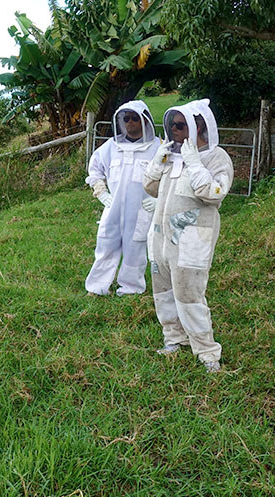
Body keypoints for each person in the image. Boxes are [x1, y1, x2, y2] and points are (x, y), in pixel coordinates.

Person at [143, 99, 233, 372]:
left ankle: (207, 352)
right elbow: (150, 188)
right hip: (161, 237)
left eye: (180, 126)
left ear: (198, 127)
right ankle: (173, 338)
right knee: (163, 292)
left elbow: (214, 194)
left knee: (189, 295)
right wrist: (157, 163)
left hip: (192, 240)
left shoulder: (217, 158)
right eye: (172, 125)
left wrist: (195, 164)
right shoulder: (173, 155)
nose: (174, 130)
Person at [84, 100, 160, 296]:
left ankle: (131, 288)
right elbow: (95, 168)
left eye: (135, 118)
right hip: (113, 209)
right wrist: (101, 191)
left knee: (135, 250)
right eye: (126, 119)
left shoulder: (158, 148)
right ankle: (97, 287)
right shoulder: (111, 147)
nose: (130, 122)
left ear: (145, 120)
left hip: (141, 210)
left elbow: (170, 176)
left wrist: (159, 200)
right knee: (105, 245)